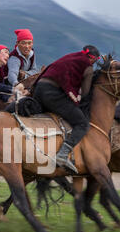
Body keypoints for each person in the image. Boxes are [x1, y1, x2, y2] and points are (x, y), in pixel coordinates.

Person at [33, 45, 100, 174]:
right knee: (82, 123)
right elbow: (85, 93)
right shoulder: (88, 67)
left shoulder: (70, 57)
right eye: (95, 60)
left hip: (39, 89)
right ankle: (62, 154)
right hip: (52, 94)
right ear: (92, 58)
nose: (94, 63)